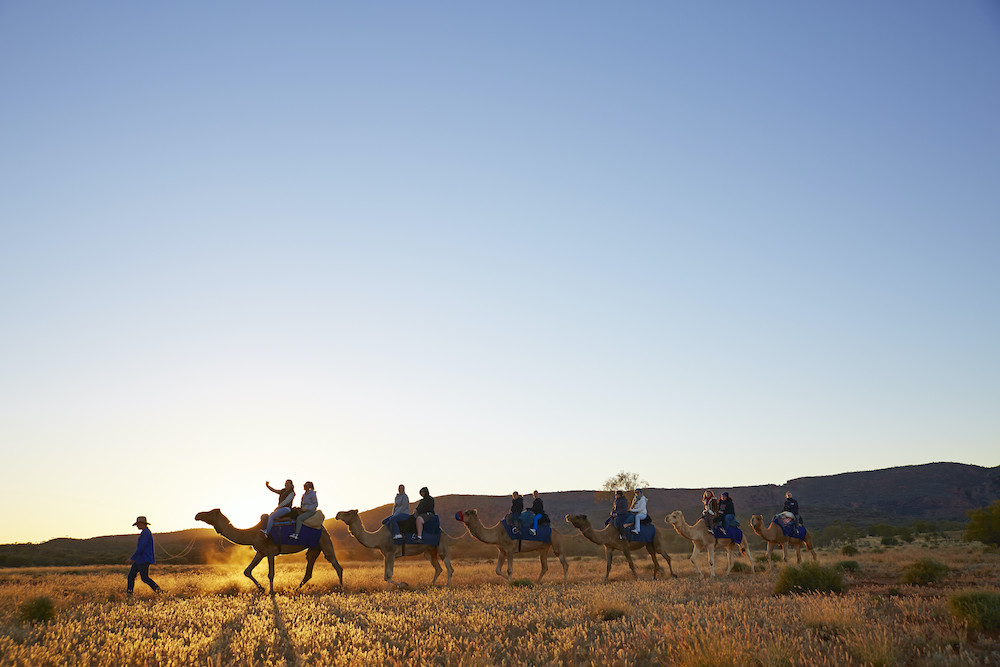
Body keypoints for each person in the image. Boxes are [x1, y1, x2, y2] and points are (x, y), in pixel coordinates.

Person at [127, 516, 161, 596]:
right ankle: (129, 594)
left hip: (143, 559)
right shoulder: (145, 532)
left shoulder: (145, 533)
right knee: (133, 577)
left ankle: (160, 591)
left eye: (138, 524)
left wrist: (132, 558)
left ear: (142, 524)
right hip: (141, 559)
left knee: (143, 578)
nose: (137, 526)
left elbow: (141, 547)